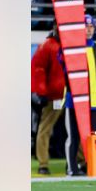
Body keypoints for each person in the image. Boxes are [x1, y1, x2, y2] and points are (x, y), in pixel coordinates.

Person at [63, 15, 96, 176]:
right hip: (76, 101)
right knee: (74, 137)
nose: (89, 29)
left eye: (91, 26)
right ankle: (72, 168)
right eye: (86, 26)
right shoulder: (72, 48)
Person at [31, 29, 66, 175]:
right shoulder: (48, 45)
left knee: (74, 130)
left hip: (68, 95)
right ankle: (43, 163)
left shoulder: (67, 45)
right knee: (45, 128)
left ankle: (79, 161)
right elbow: (38, 70)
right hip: (55, 95)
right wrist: (41, 92)